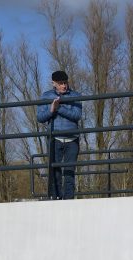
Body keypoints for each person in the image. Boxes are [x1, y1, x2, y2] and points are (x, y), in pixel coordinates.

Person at [36, 70, 82, 200]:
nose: (64, 86)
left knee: (69, 172)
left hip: (72, 139)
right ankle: (55, 199)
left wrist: (59, 108)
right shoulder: (45, 96)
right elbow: (40, 117)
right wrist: (51, 110)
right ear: (54, 83)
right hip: (54, 139)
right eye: (61, 83)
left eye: (65, 82)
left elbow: (77, 115)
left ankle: (68, 200)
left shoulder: (76, 95)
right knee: (54, 171)